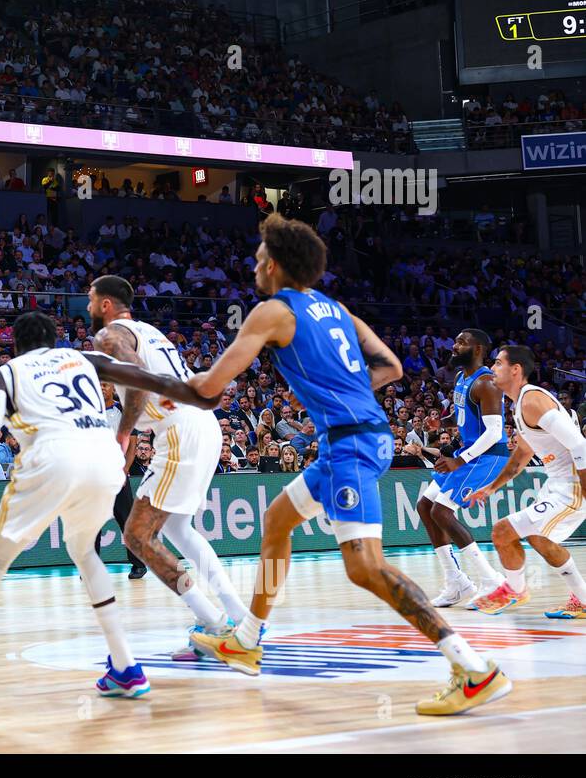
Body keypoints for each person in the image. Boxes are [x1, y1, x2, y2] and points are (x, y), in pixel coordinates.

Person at [185, 214, 510, 716]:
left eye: (257, 258)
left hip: (350, 446)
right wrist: (347, 398)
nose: (254, 264)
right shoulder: (339, 310)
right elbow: (393, 367)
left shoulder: (273, 311)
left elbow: (210, 387)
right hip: (358, 437)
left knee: (366, 568)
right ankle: (247, 638)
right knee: (276, 520)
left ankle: (472, 666)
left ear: (273, 265)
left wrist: (148, 383)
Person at [0, 311, 220, 717]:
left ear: (17, 346)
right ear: (54, 339)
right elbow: (148, 379)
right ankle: (125, 666)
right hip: (104, 459)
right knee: (84, 552)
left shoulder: (5, 374)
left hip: (51, 455)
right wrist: (201, 395)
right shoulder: (84, 358)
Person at [89, 275, 250, 658]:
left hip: (179, 430)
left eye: (91, 300)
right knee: (178, 527)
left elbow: (140, 383)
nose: (89, 307)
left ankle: (215, 626)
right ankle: (240, 617)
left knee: (137, 536)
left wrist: (123, 433)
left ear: (107, 305)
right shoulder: (149, 330)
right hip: (200, 426)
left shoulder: (110, 335)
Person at [467, 346, 586, 619]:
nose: (492, 368)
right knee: (539, 539)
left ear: (515, 370)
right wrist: (491, 487)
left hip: (573, 485)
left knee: (502, 532)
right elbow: (522, 454)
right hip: (557, 484)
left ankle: (514, 590)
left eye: (497, 363)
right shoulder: (519, 404)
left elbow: (580, 445)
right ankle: (582, 598)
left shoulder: (532, 400)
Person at [416, 329, 507, 607]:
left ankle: (492, 581)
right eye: (455, 341)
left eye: (461, 342)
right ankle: (456, 582)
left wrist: (459, 459)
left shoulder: (487, 383)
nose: (454, 346)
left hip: (488, 456)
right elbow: (464, 414)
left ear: (478, 349)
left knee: (441, 511)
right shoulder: (460, 378)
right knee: (424, 506)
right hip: (469, 453)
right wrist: (441, 425)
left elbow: (493, 432)